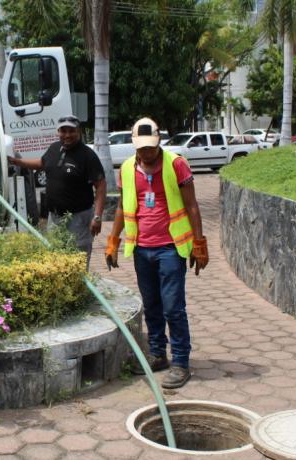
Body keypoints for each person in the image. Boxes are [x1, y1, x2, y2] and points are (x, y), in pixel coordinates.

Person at [104, 117, 209, 389]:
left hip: (171, 249)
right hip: (141, 249)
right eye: (141, 148)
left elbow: (192, 207)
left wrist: (199, 244)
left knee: (174, 308)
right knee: (151, 306)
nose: (146, 152)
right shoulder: (127, 168)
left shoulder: (176, 165)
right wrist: (113, 240)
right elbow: (121, 209)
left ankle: (181, 362)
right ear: (134, 145)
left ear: (159, 141)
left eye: (150, 147)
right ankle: (157, 354)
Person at [7, 115, 107, 264]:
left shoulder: (88, 155)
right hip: (54, 217)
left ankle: (78, 286)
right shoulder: (54, 148)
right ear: (58, 132)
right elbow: (42, 163)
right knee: (55, 255)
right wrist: (18, 161)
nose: (67, 135)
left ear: (78, 131)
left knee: (77, 259)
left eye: (71, 131)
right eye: (63, 131)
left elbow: (101, 186)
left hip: (78, 218)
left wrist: (97, 217)